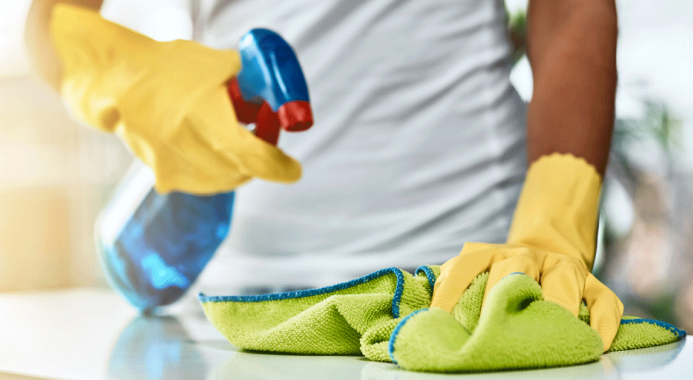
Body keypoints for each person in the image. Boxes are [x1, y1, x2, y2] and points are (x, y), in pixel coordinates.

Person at [26, 0, 623, 350]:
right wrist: (126, 75)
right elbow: (51, 19)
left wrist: (555, 214)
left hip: (455, 291)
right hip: (230, 315)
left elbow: (571, 8)